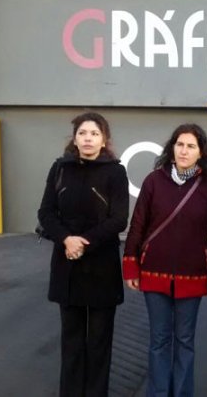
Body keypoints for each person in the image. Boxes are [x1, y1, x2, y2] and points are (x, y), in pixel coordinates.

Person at [122, 123, 207, 397]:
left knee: (184, 341)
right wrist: (131, 264)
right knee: (159, 340)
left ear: (200, 151)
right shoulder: (153, 180)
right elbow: (137, 226)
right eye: (179, 144)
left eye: (191, 146)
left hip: (192, 274)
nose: (184, 151)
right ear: (172, 148)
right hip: (153, 271)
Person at [37, 112, 129, 397]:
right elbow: (46, 212)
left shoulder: (115, 172)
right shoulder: (60, 169)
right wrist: (66, 239)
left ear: (104, 140)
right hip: (68, 266)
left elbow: (118, 219)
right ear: (74, 139)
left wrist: (84, 242)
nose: (88, 138)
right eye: (82, 133)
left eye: (94, 133)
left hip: (101, 267)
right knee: (72, 341)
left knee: (99, 342)